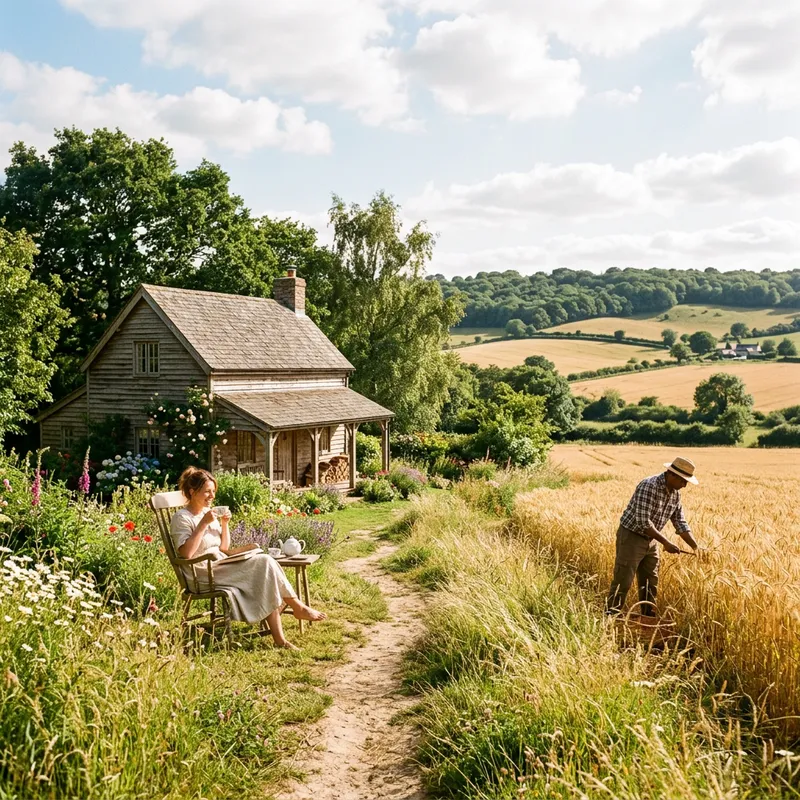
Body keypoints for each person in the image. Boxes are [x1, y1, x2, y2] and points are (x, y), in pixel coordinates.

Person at [170, 466, 326, 649]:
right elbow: (186, 553)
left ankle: (282, 636)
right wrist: (203, 525)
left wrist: (224, 523)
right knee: (265, 563)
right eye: (207, 492)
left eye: (213, 491)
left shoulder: (207, 514)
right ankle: (295, 609)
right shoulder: (182, 518)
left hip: (220, 564)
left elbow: (224, 548)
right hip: (202, 573)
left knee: (265, 564)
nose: (212, 496)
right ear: (192, 492)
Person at [605, 456, 699, 617]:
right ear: (672, 474)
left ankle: (647, 620)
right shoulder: (649, 486)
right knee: (623, 580)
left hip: (652, 539)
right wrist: (666, 542)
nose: (684, 485)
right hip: (632, 536)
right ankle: (610, 618)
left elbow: (679, 522)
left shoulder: (675, 494)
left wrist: (696, 547)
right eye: (683, 481)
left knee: (650, 582)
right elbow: (643, 522)